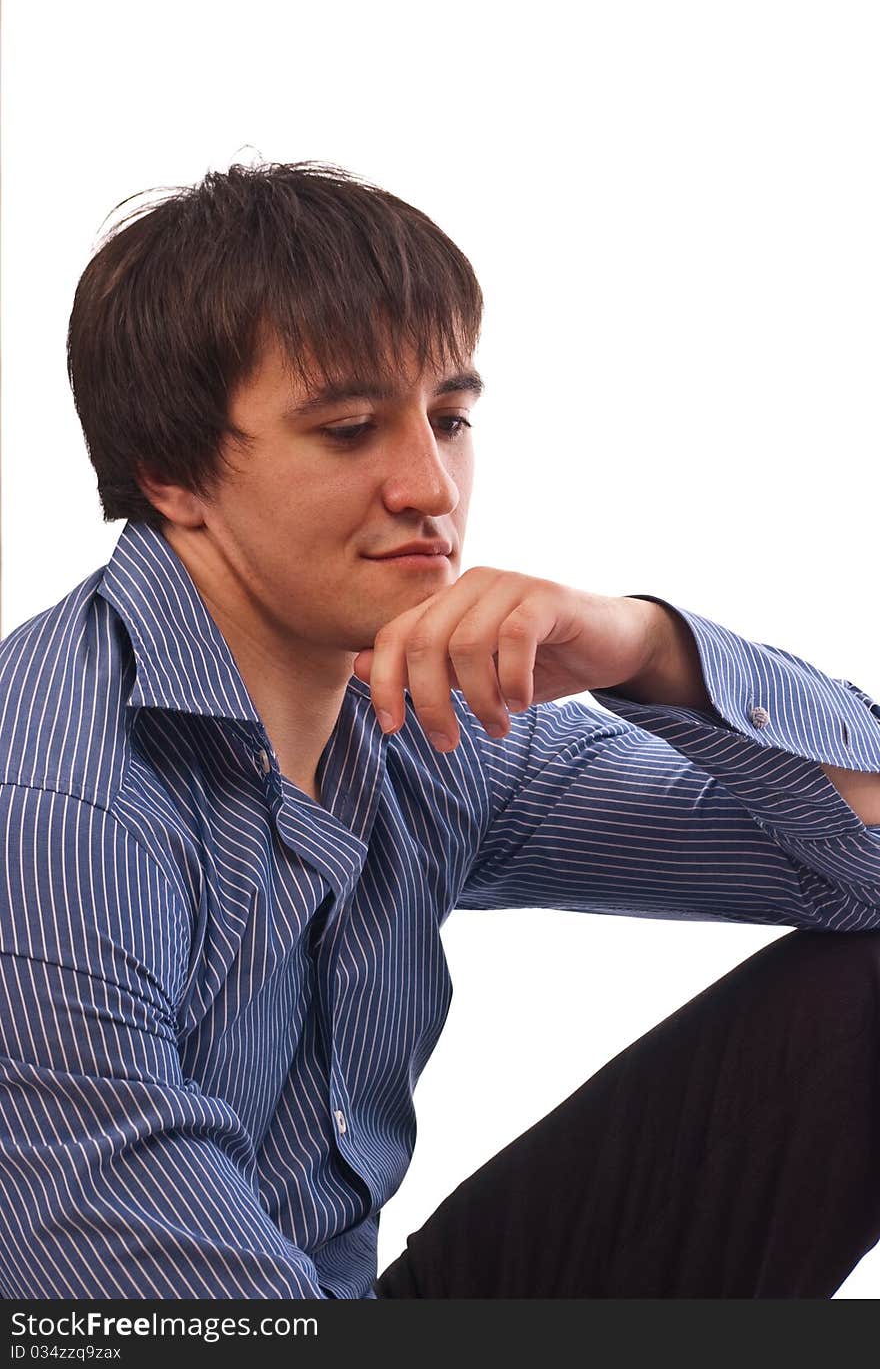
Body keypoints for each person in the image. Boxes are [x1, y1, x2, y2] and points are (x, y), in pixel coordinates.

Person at [1, 161, 879, 1301]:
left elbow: (860, 867)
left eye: (450, 418)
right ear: (173, 473)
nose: (430, 487)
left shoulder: (420, 725)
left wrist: (650, 648)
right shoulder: (56, 812)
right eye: (352, 427)